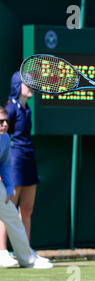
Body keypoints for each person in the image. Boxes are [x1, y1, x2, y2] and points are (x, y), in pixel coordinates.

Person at [0, 106, 52, 269]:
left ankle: (27, 259)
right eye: (0, 122)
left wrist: (9, 188)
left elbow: (5, 164)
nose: (4, 125)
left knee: (13, 218)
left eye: (5, 121)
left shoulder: (5, 138)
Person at [0, 71, 40, 250]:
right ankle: (2, 251)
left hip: (28, 158)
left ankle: (26, 251)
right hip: (14, 159)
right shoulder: (10, 109)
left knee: (27, 209)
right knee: (8, 210)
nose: (31, 87)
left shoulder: (27, 109)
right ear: (18, 86)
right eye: (27, 83)